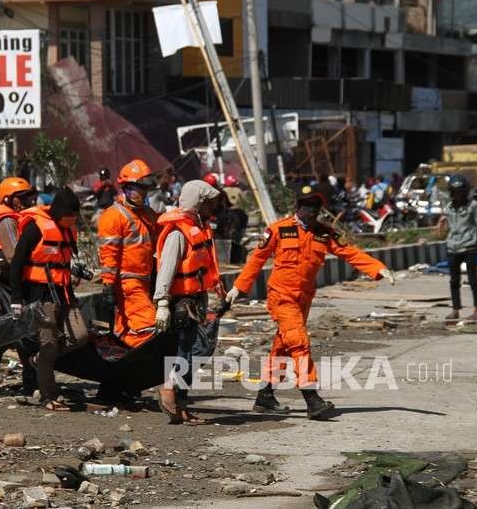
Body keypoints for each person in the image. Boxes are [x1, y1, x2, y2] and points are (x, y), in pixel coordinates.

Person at [227, 185, 395, 420]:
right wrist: (239, 287)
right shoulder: (279, 230)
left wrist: (378, 269)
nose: (312, 212)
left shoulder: (323, 233)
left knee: (284, 346)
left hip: (304, 298)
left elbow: (349, 253)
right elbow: (257, 259)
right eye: (308, 207)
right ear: (298, 207)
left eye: (316, 208)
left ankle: (265, 396)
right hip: (281, 296)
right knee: (299, 342)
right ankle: (311, 398)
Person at [9, 187, 89, 411]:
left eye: (74, 216)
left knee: (80, 336)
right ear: (57, 213)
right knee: (49, 343)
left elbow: (67, 258)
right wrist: (17, 298)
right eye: (68, 216)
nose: (71, 220)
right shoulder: (36, 228)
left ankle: (39, 361)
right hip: (41, 295)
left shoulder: (68, 230)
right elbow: (16, 263)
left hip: (64, 293)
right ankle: (48, 396)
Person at [153, 180, 225, 424]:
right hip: (182, 301)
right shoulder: (178, 233)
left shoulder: (198, 227)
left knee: (189, 350)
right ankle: (169, 386)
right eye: (210, 203)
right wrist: (162, 303)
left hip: (196, 298)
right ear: (198, 203)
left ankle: (180, 407)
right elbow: (166, 269)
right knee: (195, 348)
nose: (213, 208)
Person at [0, 177, 39, 394]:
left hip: (12, 281)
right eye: (22, 197)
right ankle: (30, 381)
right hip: (8, 282)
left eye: (28, 196)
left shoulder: (18, 218)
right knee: (22, 328)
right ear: (8, 199)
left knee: (9, 327)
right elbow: (14, 255)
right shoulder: (7, 220)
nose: (27, 201)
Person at [98, 159, 159, 349]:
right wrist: (108, 285)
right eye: (138, 189)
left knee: (126, 326)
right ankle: (134, 362)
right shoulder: (113, 216)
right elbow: (109, 254)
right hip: (127, 283)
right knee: (146, 325)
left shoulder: (148, 214)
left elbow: (157, 246)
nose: (142, 194)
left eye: (144, 189)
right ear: (125, 188)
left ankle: (120, 358)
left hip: (146, 280)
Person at [437, 175, 477, 320]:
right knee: (453, 281)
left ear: (465, 192)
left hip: (469, 247)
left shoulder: (473, 205)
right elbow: (447, 227)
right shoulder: (449, 207)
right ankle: (456, 309)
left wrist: (470, 237)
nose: (458, 195)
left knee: (473, 280)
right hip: (453, 247)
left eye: (461, 192)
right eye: (455, 192)